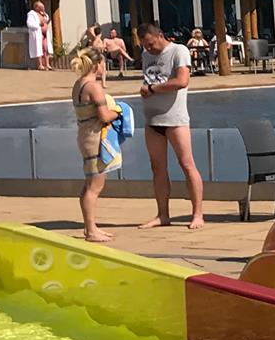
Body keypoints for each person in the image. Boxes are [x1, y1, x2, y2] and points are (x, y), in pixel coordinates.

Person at [136, 22, 205, 229]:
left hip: (175, 119)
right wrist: (148, 90)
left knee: (187, 164)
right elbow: (149, 80)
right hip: (152, 119)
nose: (148, 48)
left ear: (160, 35)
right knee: (157, 167)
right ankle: (162, 214)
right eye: (144, 45)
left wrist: (153, 89)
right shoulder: (146, 56)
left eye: (150, 43)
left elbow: (182, 81)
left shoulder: (178, 51)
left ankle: (198, 214)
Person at [71, 40, 123, 243]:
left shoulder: (79, 84)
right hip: (94, 137)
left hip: (84, 134)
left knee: (89, 184)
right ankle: (91, 230)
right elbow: (103, 116)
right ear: (97, 65)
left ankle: (90, 227)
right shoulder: (93, 87)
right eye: (102, 63)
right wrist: (118, 112)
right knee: (95, 186)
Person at [26, 0, 49, 71]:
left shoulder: (42, 13)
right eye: (41, 7)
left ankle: (47, 64)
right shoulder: (31, 14)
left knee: (45, 48)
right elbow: (29, 24)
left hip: (44, 34)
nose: (43, 8)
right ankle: (40, 65)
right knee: (39, 49)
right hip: (37, 34)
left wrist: (44, 15)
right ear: (36, 7)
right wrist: (39, 24)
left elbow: (46, 19)